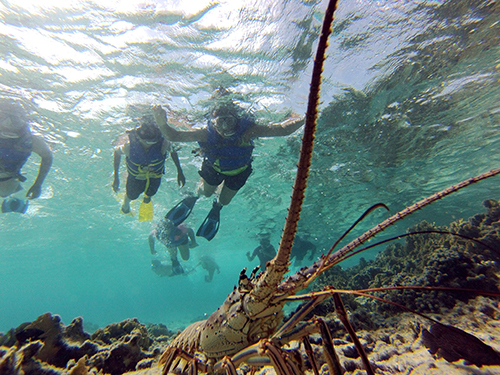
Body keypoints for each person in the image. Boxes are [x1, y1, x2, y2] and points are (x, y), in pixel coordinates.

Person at [152, 89, 304, 240]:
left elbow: (283, 130)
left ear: (236, 120)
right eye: (220, 122)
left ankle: (216, 207)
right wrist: (162, 124)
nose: (225, 128)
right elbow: (174, 136)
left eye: (229, 121)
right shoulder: (205, 133)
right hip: (214, 168)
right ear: (213, 122)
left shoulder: (249, 130)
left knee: (224, 201)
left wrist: (306, 116)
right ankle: (195, 196)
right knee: (206, 192)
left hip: (240, 171)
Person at [112, 115, 185, 221]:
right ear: (138, 137)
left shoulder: (163, 144)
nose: (149, 145)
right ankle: (126, 204)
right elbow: (117, 153)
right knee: (132, 195)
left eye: (153, 142)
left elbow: (173, 150)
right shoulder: (128, 147)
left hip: (156, 175)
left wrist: (180, 171)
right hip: (136, 177)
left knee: (150, 192)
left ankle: (146, 199)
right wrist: (116, 177)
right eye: (146, 142)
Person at [0, 99, 53, 213]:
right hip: (8, 183)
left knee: (6, 191)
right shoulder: (30, 141)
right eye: (3, 118)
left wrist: (38, 184)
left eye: (14, 120)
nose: (9, 124)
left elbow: (47, 156)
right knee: (6, 191)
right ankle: (15, 201)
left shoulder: (30, 140)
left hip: (8, 182)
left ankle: (15, 201)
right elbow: (47, 157)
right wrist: (37, 185)